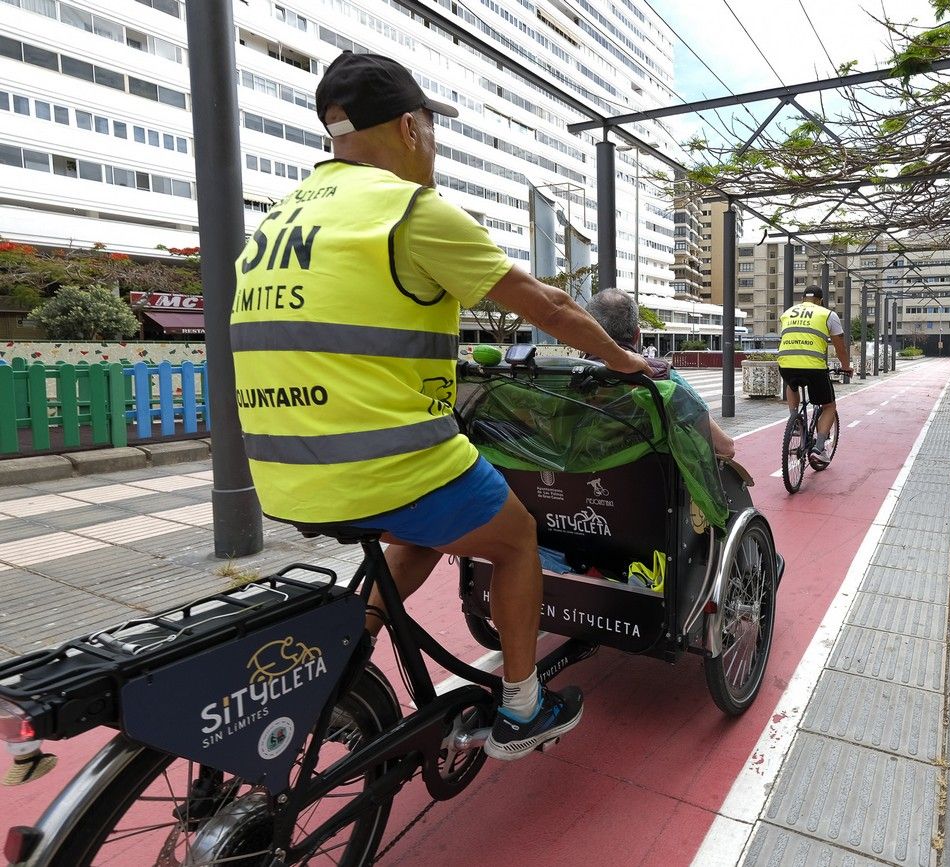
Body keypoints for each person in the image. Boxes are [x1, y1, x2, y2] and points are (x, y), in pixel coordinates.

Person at [230, 52, 650, 762]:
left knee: (424, 528)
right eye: (431, 123)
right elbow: (547, 304)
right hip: (381, 462)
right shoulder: (408, 210)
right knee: (515, 537)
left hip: (281, 472)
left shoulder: (278, 219)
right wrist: (623, 359)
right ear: (409, 126)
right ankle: (523, 708)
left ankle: (345, 653)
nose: (434, 139)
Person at [585, 289, 735, 460]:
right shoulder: (661, 374)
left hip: (568, 484)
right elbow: (725, 447)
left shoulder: (563, 375)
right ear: (637, 335)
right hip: (647, 482)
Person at [778, 286, 852, 461]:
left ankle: (794, 419)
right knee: (829, 406)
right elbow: (840, 346)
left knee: (792, 384)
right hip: (813, 368)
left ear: (803, 299)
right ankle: (819, 450)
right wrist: (846, 366)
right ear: (820, 300)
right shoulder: (827, 314)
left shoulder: (788, 313)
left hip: (786, 363)